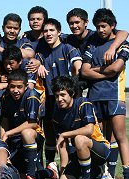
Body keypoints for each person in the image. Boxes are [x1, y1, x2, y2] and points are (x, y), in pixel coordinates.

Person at [81, 8, 129, 179]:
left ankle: (128, 177)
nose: (101, 30)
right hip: (94, 96)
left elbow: (115, 68)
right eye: (98, 27)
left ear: (113, 26)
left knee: (120, 136)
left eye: (104, 26)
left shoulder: (123, 44)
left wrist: (96, 71)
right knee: (99, 138)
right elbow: (84, 71)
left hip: (114, 95)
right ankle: (104, 175)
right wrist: (103, 70)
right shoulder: (92, 44)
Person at [51, 75, 110, 179]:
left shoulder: (83, 103)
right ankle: (96, 177)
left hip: (100, 150)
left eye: (63, 95)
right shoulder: (56, 113)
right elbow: (62, 145)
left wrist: (64, 134)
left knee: (79, 139)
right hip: (78, 155)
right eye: (57, 96)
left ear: (71, 93)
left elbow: (89, 130)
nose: (59, 99)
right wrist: (63, 168)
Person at [35, 18, 82, 166]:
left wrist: (73, 82)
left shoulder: (68, 48)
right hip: (49, 99)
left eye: (52, 30)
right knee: (50, 134)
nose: (48, 34)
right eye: (46, 31)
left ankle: (74, 167)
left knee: (71, 134)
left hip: (68, 100)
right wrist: (38, 65)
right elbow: (32, 65)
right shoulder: (41, 54)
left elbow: (78, 66)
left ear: (59, 32)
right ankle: (51, 166)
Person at [0, 69, 46, 179]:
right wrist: (2, 142)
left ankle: (31, 178)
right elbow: (4, 121)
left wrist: (8, 133)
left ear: (25, 86)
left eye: (19, 87)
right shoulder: (5, 97)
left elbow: (31, 123)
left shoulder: (31, 95)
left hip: (34, 136)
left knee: (27, 133)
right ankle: (48, 173)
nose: (15, 90)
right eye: (12, 87)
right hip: (14, 140)